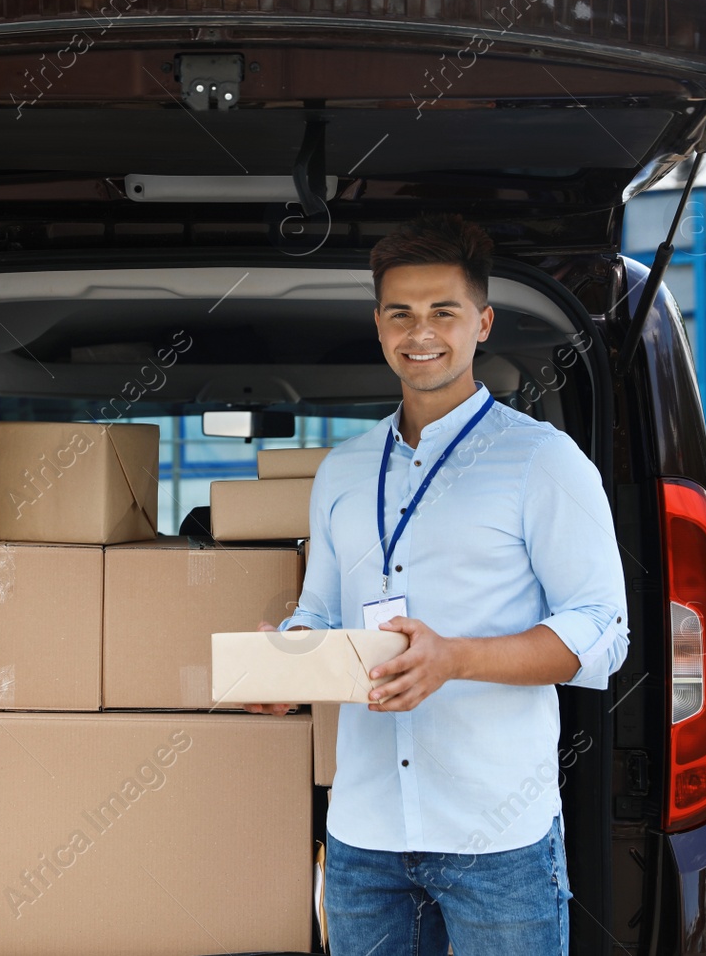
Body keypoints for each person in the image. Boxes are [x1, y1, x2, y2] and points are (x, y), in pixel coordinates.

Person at [244, 214, 629, 955]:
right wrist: (289, 663)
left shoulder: (544, 461)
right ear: (379, 326)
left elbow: (604, 632)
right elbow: (320, 609)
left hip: (500, 840)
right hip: (364, 836)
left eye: (443, 311)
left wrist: (455, 657)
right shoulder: (343, 470)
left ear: (482, 322)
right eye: (401, 314)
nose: (421, 332)